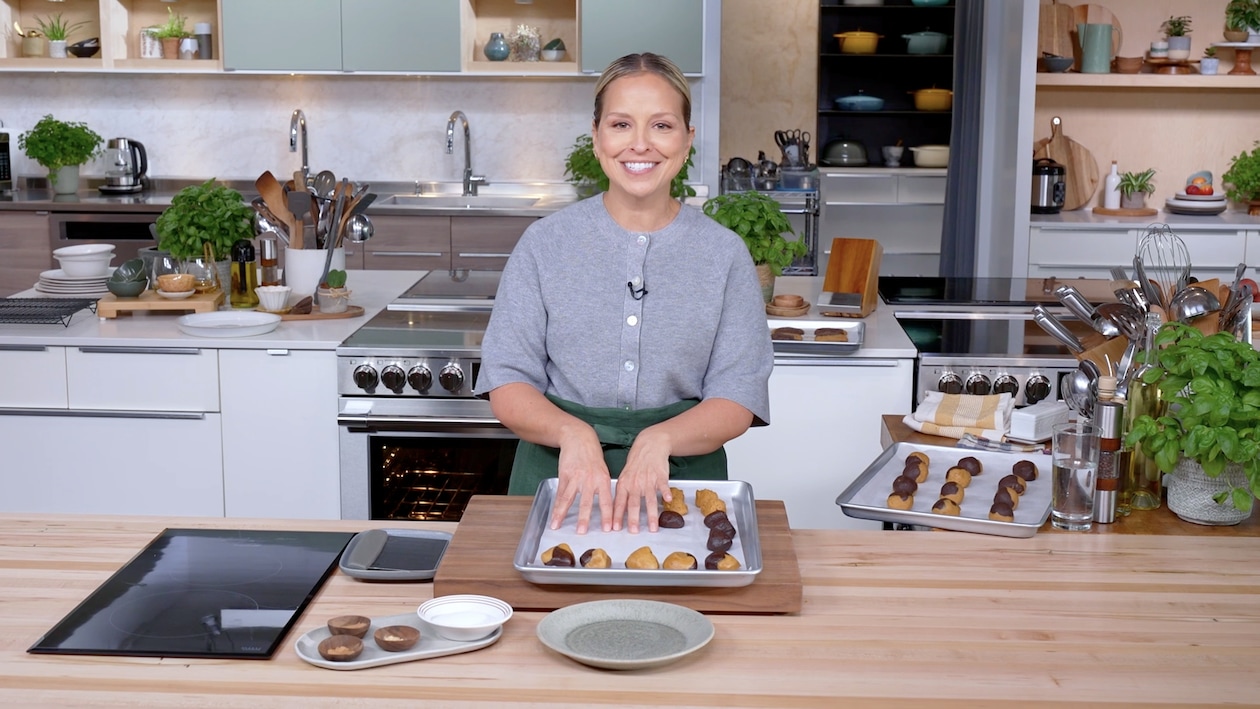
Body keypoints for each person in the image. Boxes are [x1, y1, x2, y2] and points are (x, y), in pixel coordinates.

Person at [476, 52, 773, 535]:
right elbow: (507, 378)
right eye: (620, 124)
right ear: (596, 137)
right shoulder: (545, 244)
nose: (640, 144)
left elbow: (738, 395)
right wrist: (572, 433)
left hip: (685, 484)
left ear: (687, 139)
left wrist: (659, 440)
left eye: (661, 125)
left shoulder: (724, 254)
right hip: (555, 480)